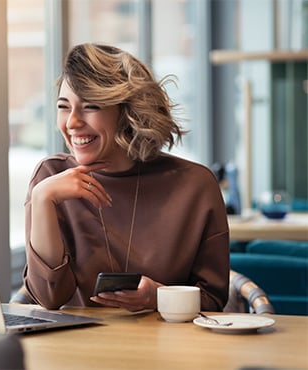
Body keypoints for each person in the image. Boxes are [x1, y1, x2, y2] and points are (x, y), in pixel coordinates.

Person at [21, 43, 229, 312]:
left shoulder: (195, 186)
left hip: (169, 349)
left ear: (127, 112)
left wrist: (158, 296)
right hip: (75, 349)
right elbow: (48, 298)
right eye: (64, 107)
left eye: (91, 106)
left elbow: (214, 300)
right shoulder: (50, 179)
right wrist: (41, 199)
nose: (72, 122)